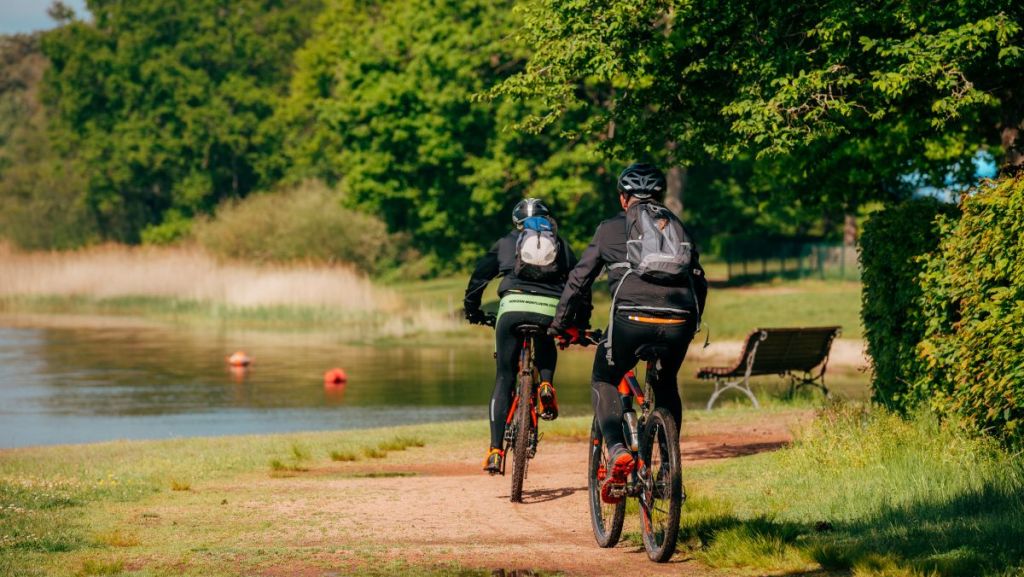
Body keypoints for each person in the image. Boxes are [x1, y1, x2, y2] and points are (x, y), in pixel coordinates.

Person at [548, 163, 708, 503]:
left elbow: (578, 280)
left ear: (624, 199)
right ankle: (668, 470)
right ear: (660, 196)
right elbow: (699, 280)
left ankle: (618, 448)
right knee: (666, 386)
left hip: (630, 318)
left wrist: (560, 324)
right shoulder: (678, 227)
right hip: (679, 319)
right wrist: (690, 325)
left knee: (604, 378)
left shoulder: (609, 230)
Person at [464, 198, 589, 474]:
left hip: (511, 309)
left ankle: (496, 451)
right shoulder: (561, 244)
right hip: (549, 310)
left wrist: (472, 310)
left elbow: (478, 279)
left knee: (504, 377)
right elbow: (582, 281)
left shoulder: (505, 243)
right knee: (545, 335)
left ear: (516, 221)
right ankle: (546, 384)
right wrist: (580, 322)